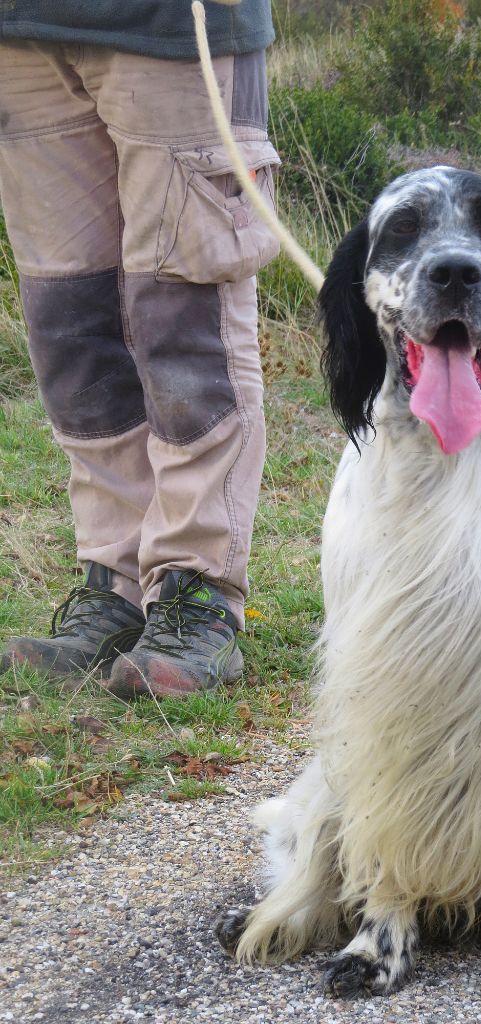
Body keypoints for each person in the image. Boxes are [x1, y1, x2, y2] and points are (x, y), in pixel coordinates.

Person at [0, 1, 280, 697]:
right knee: (71, 321)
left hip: (167, 26)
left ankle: (196, 590)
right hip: (23, 29)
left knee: (184, 321)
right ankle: (115, 584)